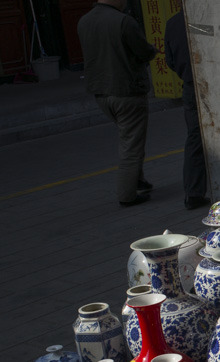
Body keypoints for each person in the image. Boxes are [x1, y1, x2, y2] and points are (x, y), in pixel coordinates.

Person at [78, 0, 156, 207]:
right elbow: (143, 51)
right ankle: (127, 194)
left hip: (101, 93)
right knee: (131, 145)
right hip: (126, 91)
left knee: (130, 137)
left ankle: (137, 180)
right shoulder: (123, 21)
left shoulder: (84, 21)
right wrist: (152, 50)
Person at [164, 11, 210, 211]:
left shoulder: (173, 22)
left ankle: (193, 193)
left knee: (195, 138)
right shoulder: (198, 20)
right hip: (209, 85)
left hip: (190, 86)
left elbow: (171, 60)